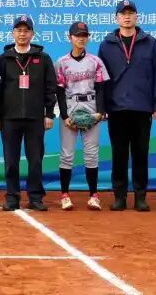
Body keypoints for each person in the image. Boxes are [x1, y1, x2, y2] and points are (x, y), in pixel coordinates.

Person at [98, 0, 156, 212]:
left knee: (140, 153)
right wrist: (102, 106)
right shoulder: (107, 45)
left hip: (142, 107)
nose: (126, 17)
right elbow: (101, 78)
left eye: (130, 13)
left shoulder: (150, 43)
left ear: (136, 16)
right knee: (119, 154)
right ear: (116, 18)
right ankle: (120, 197)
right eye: (122, 13)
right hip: (116, 108)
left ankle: (141, 197)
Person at [0, 15, 58, 212]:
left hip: (35, 118)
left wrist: (49, 114)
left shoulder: (43, 59)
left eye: (26, 30)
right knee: (11, 161)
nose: (22, 34)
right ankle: (12, 196)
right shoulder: (3, 59)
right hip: (9, 118)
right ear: (13, 33)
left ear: (32, 33)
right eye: (18, 30)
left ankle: (35, 197)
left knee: (35, 160)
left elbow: (50, 87)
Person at [55, 21, 109, 211]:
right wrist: (64, 116)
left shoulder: (96, 61)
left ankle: (94, 195)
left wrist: (100, 112)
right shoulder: (61, 62)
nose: (81, 38)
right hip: (71, 105)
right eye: (77, 35)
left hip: (91, 105)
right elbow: (59, 91)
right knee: (67, 154)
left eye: (84, 35)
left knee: (91, 154)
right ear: (69, 37)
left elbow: (101, 88)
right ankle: (64, 195)